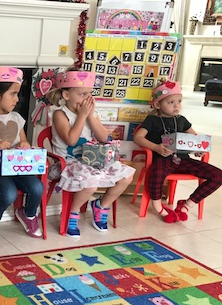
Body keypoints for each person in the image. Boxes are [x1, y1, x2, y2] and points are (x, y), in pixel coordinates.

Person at [47, 68, 135, 238]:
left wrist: (90, 117)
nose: (87, 99)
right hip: (68, 163)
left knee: (126, 176)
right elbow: (71, 141)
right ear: (66, 95)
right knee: (91, 183)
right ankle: (72, 213)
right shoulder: (60, 114)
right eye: (82, 94)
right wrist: (82, 116)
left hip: (93, 160)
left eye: (89, 94)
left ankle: (101, 206)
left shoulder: (90, 114)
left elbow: (104, 138)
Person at [0, 66, 44, 246]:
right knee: (9, 193)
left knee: (37, 187)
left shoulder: (17, 118)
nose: (17, 99)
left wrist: (24, 145)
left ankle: (28, 215)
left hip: (17, 167)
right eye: (12, 94)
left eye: (17, 94)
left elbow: (24, 142)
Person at [133, 80, 222, 223]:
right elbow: (138, 138)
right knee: (156, 173)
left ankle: (186, 205)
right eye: (171, 102)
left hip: (183, 160)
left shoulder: (182, 120)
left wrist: (199, 149)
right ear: (158, 105)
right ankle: (158, 206)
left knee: (218, 176)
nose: (177, 106)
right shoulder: (152, 120)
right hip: (162, 159)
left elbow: (196, 139)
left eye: (179, 101)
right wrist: (156, 147)